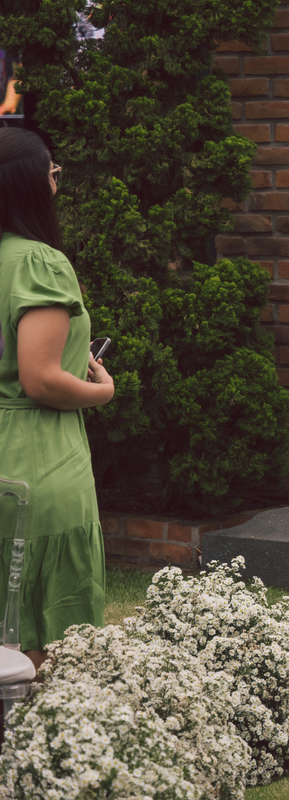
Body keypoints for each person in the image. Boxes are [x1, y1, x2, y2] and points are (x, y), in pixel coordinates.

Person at [0, 128, 112, 671]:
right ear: (27, 185)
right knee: (43, 635)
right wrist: (102, 389)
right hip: (37, 459)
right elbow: (41, 378)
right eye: (53, 172)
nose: (56, 182)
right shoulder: (38, 263)